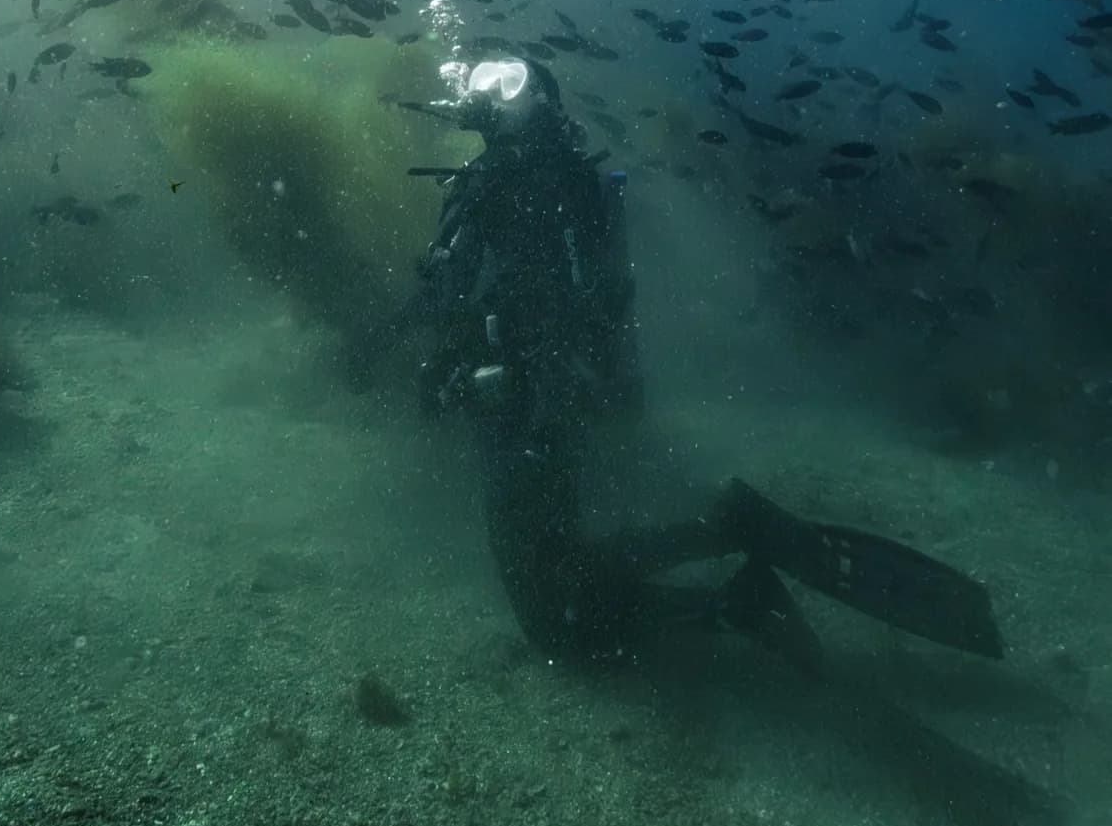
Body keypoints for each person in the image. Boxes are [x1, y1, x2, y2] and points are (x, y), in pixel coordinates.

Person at [410, 55, 1004, 676]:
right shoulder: (491, 181)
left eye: (508, 82)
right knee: (563, 569)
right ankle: (722, 527)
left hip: (534, 411)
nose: (486, 93)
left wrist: (517, 378)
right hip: (512, 406)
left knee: (559, 623)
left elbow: (577, 307)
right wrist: (449, 369)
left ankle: (737, 599)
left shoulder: (549, 184)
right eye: (479, 82)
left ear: (544, 105)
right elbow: (473, 297)